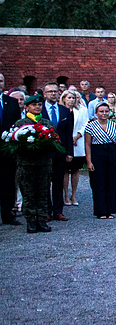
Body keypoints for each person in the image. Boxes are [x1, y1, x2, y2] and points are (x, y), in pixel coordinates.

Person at [13, 94, 58, 233]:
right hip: (26, 164)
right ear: (27, 107)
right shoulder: (20, 124)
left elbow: (54, 141)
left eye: (39, 105)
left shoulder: (46, 123)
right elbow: (15, 144)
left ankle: (42, 220)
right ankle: (31, 221)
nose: (37, 107)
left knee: (43, 192)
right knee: (29, 193)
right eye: (34, 105)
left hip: (43, 163)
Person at [84, 101, 116, 218]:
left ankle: (110, 210)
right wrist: (89, 161)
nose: (104, 114)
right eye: (101, 111)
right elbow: (87, 145)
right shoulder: (90, 126)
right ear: (96, 113)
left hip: (111, 153)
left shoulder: (114, 125)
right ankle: (100, 210)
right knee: (98, 182)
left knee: (111, 182)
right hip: (97, 153)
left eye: (106, 111)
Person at [41, 82, 73, 221]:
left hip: (60, 151)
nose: (53, 94)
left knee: (58, 182)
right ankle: (47, 210)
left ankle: (58, 210)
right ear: (44, 94)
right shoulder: (39, 110)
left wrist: (69, 152)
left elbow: (68, 133)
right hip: (45, 152)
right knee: (45, 182)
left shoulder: (65, 111)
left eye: (55, 91)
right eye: (50, 92)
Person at [1, 73, 22, 225]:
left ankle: (8, 214)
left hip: (7, 150)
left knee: (8, 182)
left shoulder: (12, 102)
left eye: (1, 80)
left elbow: (16, 126)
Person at [61, 90, 88, 206]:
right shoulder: (61, 110)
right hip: (65, 143)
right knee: (65, 170)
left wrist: (77, 136)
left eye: (73, 98)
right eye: (69, 98)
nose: (72, 100)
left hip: (78, 141)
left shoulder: (82, 110)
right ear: (64, 99)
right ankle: (66, 195)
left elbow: (85, 124)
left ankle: (74, 195)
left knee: (75, 169)